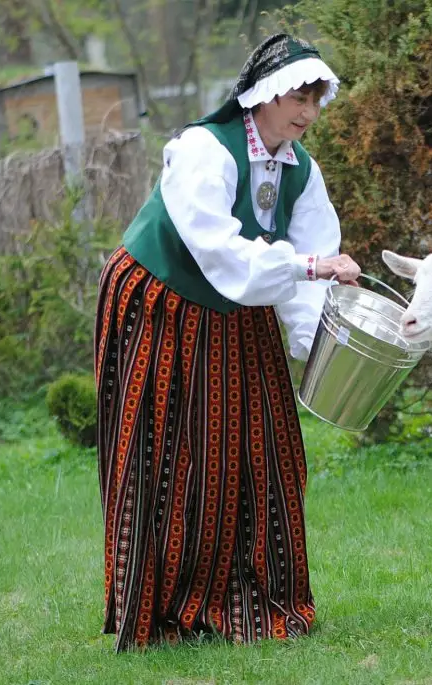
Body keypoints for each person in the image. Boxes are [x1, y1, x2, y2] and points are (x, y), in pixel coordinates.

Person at [94, 33, 361, 652]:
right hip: (160, 300)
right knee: (164, 458)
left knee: (266, 455)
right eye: (298, 97)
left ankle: (252, 600)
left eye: (317, 101)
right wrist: (313, 266)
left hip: (238, 308)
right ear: (262, 95)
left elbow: (303, 278)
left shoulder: (302, 172)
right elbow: (218, 251)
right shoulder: (200, 151)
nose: (308, 113)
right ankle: (162, 608)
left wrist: (312, 352)